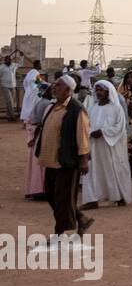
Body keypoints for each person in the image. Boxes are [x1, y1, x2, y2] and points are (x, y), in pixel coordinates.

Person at [34, 75, 93, 238]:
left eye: (58, 86)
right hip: (51, 159)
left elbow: (82, 136)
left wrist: (83, 160)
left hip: (67, 161)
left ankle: (62, 234)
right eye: (55, 85)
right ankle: (81, 218)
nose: (54, 88)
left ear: (68, 90)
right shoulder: (53, 107)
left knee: (63, 199)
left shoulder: (76, 109)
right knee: (52, 195)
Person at [84, 80, 132, 209]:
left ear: (108, 92)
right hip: (95, 145)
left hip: (111, 146)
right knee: (93, 170)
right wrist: (91, 133)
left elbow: (120, 127)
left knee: (114, 169)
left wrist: (104, 132)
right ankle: (92, 199)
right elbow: (86, 124)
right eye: (97, 90)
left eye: (101, 90)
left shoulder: (116, 108)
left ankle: (119, 196)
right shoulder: (92, 107)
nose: (98, 93)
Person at [24, 83, 53, 200]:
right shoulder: (47, 104)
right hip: (39, 135)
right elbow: (42, 124)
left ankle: (33, 189)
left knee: (35, 164)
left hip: (35, 133)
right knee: (40, 163)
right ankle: (40, 190)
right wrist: (35, 138)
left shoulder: (40, 102)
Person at [19, 59, 43, 125]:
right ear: (36, 65)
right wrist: (40, 92)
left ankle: (26, 121)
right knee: (33, 106)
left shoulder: (29, 73)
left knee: (27, 106)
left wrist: (27, 90)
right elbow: (39, 84)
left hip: (28, 92)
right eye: (40, 64)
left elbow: (24, 82)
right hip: (35, 92)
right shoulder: (36, 73)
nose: (41, 65)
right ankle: (33, 121)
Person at [0, 54, 17, 122]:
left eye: (10, 59)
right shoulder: (1, 67)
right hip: (5, 86)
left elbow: (21, 64)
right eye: (8, 60)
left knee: (9, 102)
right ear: (5, 60)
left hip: (13, 86)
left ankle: (8, 116)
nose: (9, 61)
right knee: (10, 101)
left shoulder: (14, 65)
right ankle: (13, 116)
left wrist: (21, 56)